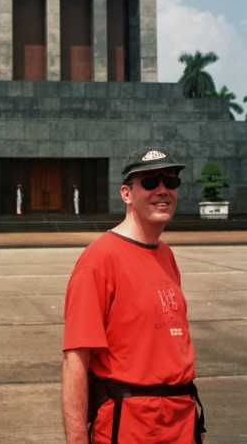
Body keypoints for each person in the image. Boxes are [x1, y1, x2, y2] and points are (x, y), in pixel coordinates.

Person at [62, 146, 206, 444]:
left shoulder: (165, 254)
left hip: (180, 422)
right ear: (127, 194)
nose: (162, 190)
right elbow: (76, 360)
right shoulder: (99, 260)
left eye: (171, 181)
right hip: (129, 426)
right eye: (150, 182)